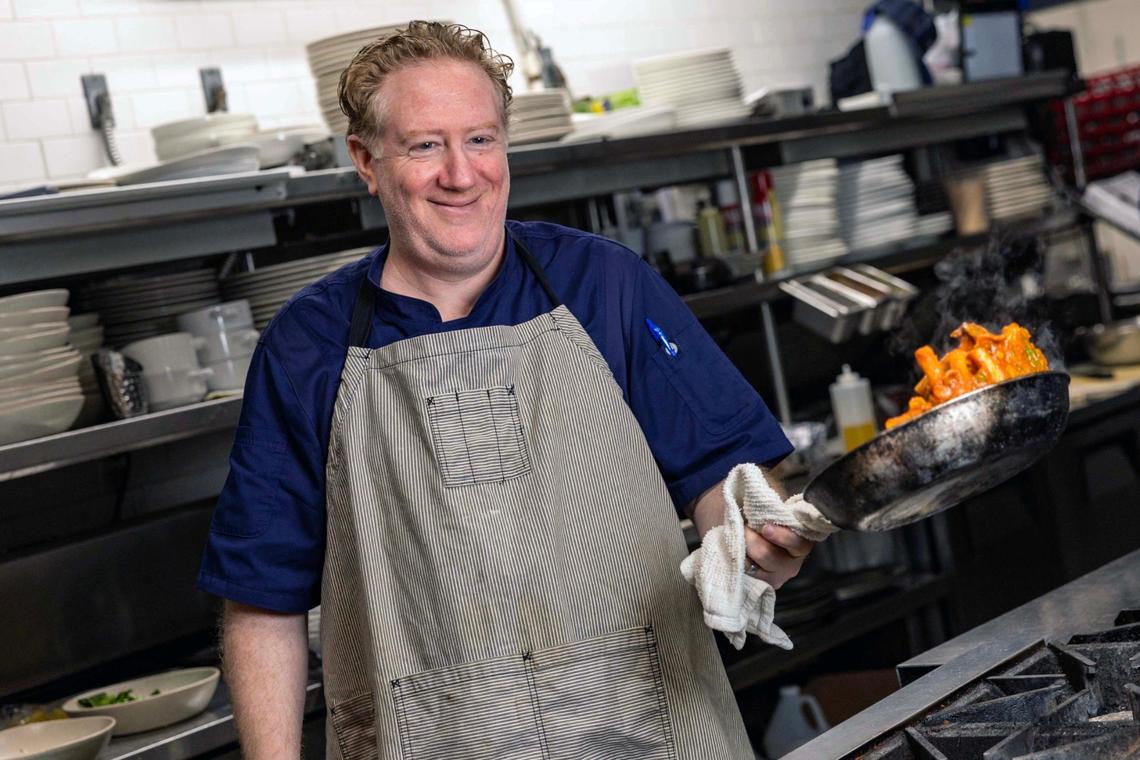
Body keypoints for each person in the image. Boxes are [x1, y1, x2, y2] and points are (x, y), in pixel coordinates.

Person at [198, 21, 816, 759]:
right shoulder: (308, 346)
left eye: (480, 140)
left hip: (645, 727)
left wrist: (753, 539)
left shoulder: (604, 285)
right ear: (366, 161)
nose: (461, 174)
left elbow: (724, 474)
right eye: (425, 146)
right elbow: (261, 599)